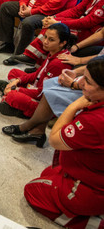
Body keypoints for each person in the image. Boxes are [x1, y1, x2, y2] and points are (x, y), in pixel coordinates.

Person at [23, 57, 104, 228]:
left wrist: (74, 106)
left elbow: (55, 139)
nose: (81, 83)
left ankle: (91, 223)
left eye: (88, 81)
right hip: (90, 172)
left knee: (32, 191)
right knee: (48, 173)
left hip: (91, 188)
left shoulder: (95, 120)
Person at [16, 0, 104, 67]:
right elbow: (76, 11)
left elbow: (88, 22)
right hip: (81, 25)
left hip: (90, 33)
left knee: (56, 28)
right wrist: (54, 17)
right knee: (51, 23)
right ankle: (39, 64)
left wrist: (59, 22)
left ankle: (32, 57)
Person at [0, 23, 76, 120]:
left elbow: (41, 93)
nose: (45, 42)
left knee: (12, 96)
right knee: (14, 73)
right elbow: (38, 74)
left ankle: (21, 109)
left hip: (44, 101)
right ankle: (11, 92)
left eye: (51, 40)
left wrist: (17, 89)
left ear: (62, 43)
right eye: (45, 37)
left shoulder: (58, 63)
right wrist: (18, 81)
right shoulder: (54, 52)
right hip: (38, 86)